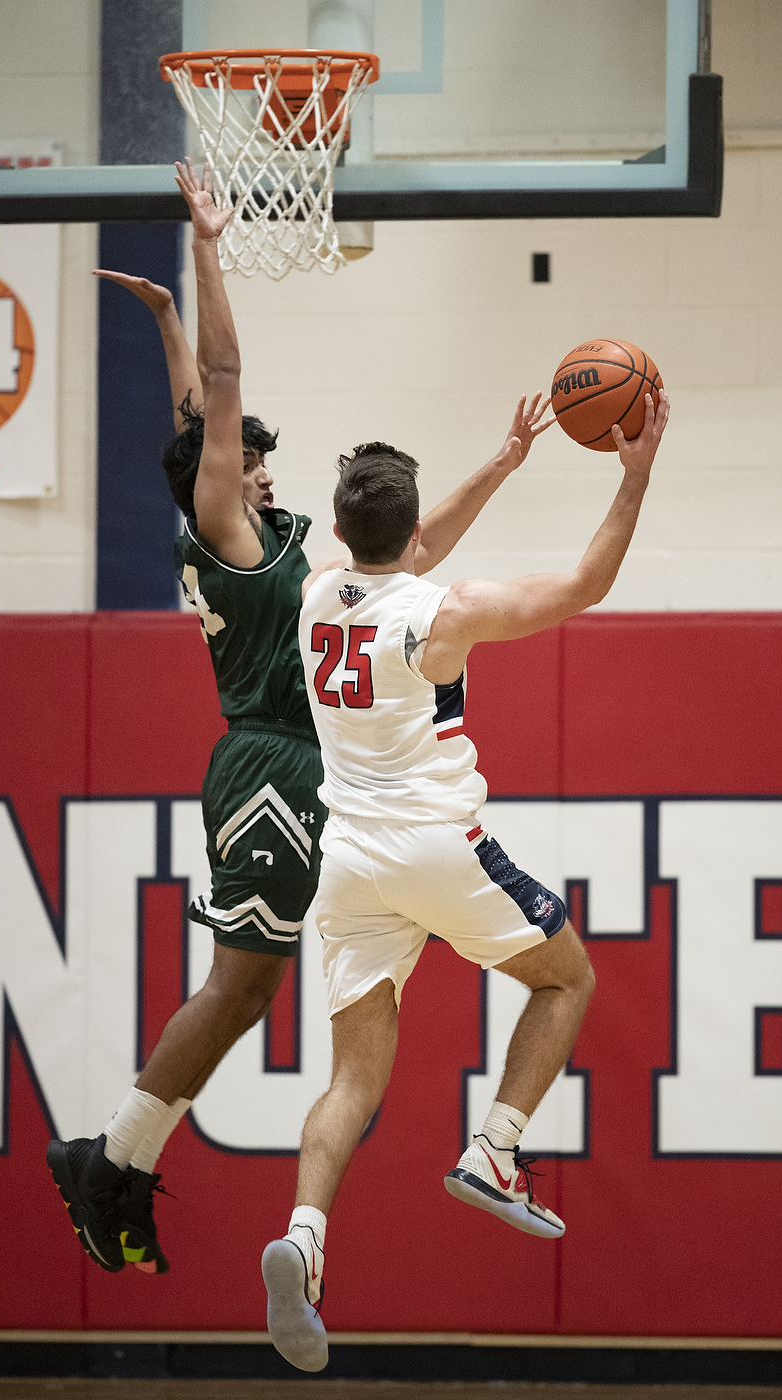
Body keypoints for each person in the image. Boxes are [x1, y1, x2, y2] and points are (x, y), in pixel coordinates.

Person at [45, 160, 553, 1278]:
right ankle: (111, 1160)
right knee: (242, 981)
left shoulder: (256, 537)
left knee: (253, 980)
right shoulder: (226, 525)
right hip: (275, 766)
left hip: (287, 769)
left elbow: (211, 419)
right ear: (220, 481)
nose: (263, 470)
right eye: (249, 459)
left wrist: (172, 316)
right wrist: (210, 248)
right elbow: (220, 397)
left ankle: (117, 1155)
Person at [261, 386, 669, 1370]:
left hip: (349, 861)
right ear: (410, 532)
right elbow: (581, 584)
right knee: (565, 976)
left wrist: (499, 462)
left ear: (348, 522)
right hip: (434, 844)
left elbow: (399, 545)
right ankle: (493, 1146)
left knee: (352, 1078)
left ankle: (304, 1237)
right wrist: (635, 469)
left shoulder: (318, 588)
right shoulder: (445, 612)